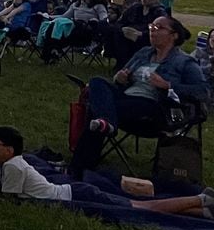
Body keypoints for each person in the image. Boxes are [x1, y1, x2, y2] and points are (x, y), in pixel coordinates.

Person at [0, 126, 214, 221]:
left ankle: (200, 199)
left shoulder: (14, 166)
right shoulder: (9, 163)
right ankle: (206, 211)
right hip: (74, 192)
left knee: (142, 208)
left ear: (8, 150)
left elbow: (5, 202)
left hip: (77, 196)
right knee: (143, 206)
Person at [69, 16, 206, 178]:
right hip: (126, 98)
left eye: (158, 28)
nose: (152, 31)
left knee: (96, 110)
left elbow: (202, 91)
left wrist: (167, 85)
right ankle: (106, 125)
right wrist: (119, 79)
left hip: (154, 107)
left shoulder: (185, 62)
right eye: (151, 27)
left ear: (174, 35)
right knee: (97, 82)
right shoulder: (143, 53)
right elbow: (122, 78)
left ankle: (78, 168)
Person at [105, 0, 165, 68]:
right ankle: (122, 63)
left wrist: (141, 34)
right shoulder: (135, 8)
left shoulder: (159, 13)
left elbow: (160, 31)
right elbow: (120, 22)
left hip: (145, 38)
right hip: (126, 35)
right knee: (113, 30)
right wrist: (123, 29)